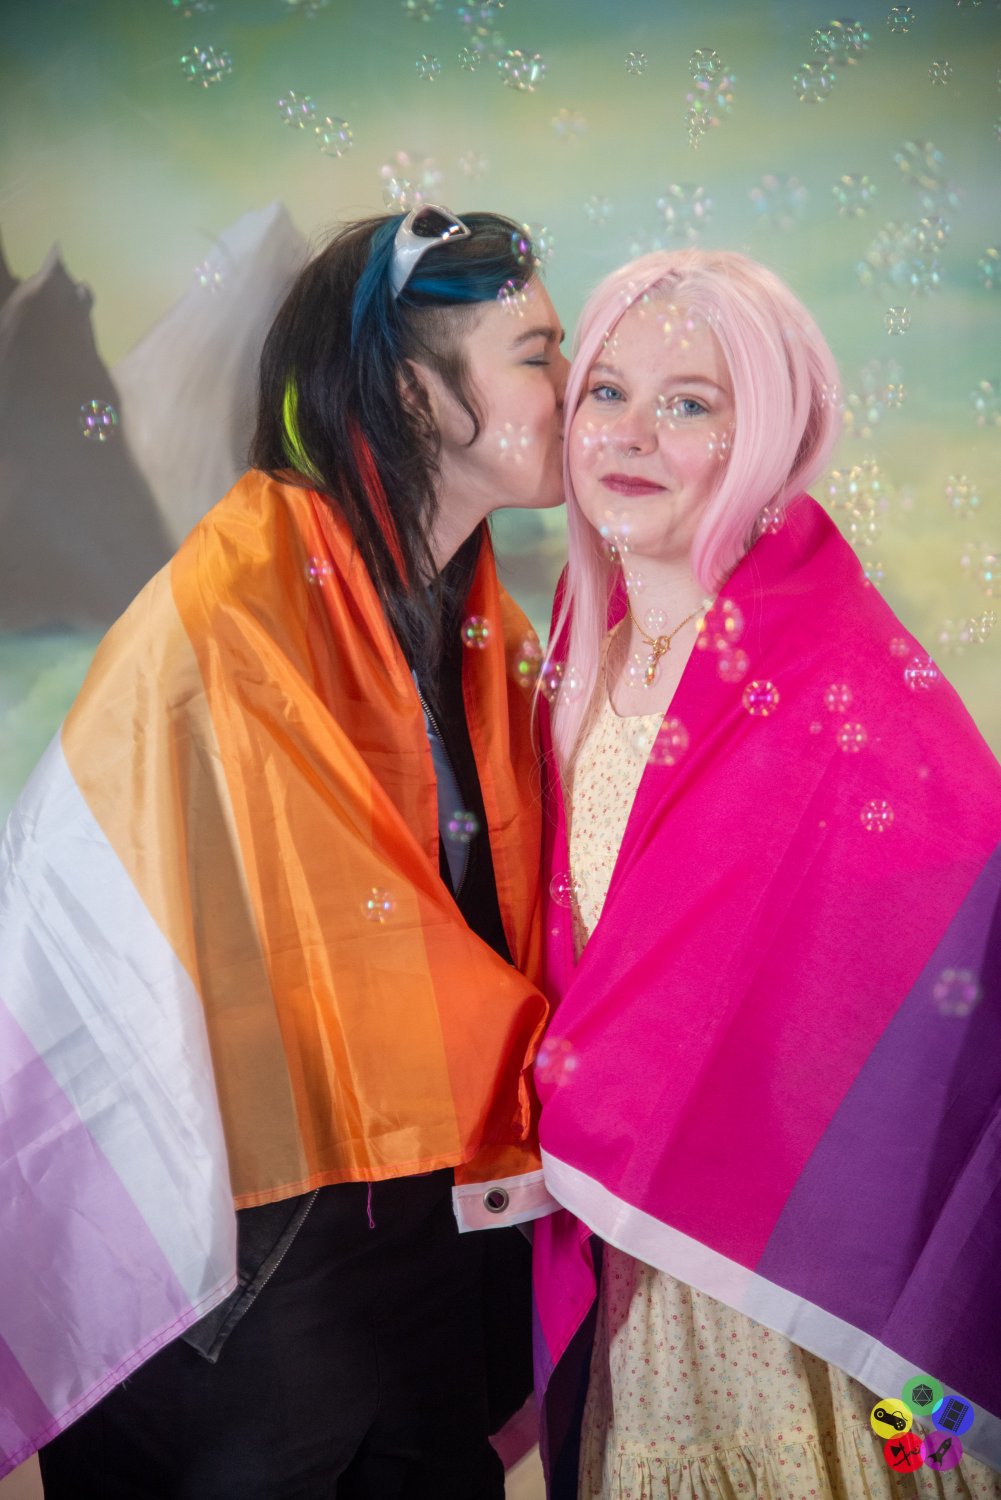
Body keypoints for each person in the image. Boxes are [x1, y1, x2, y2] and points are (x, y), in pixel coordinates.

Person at [0, 206, 568, 1497]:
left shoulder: (479, 620)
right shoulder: (232, 608)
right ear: (416, 394)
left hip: (414, 1218)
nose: (570, 380)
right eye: (536, 352)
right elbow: (279, 936)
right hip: (254, 1257)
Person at [530, 249, 1001, 1498]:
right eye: (605, 392)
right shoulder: (576, 655)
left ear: (770, 435)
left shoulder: (837, 675)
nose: (630, 433)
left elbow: (957, 932)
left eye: (688, 403)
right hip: (637, 1233)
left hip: (787, 1248)